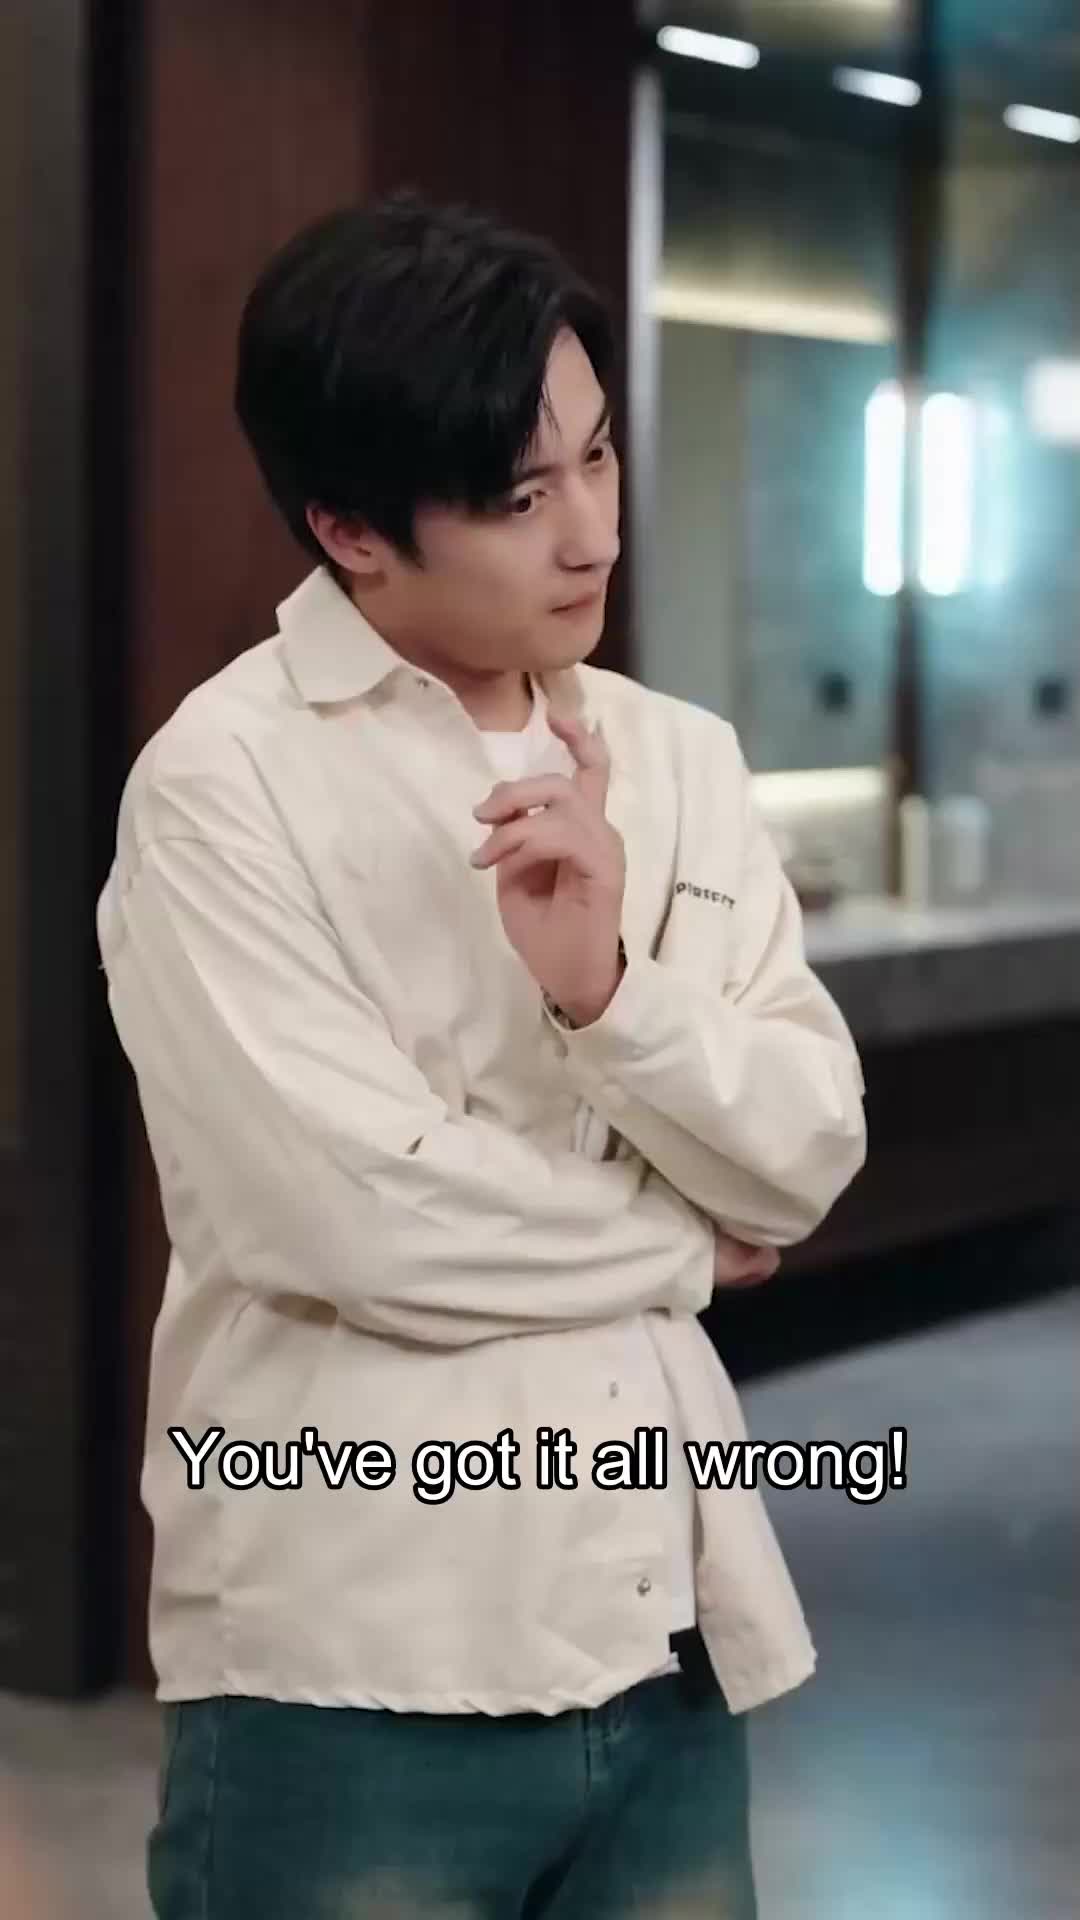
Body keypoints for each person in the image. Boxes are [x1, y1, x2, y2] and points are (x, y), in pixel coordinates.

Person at [97, 190, 867, 1920]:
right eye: (522, 499)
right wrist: (687, 1242)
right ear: (349, 529)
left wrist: (609, 997)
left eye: (597, 458)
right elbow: (360, 1221)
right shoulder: (223, 787)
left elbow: (811, 1145)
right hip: (352, 1663)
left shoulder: (678, 760)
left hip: (665, 1636)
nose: (592, 532)